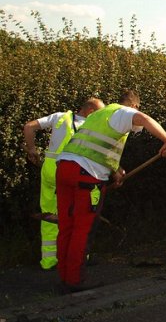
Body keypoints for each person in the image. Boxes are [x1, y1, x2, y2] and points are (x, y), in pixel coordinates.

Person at [55, 89, 166, 292]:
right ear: (134, 105)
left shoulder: (99, 115)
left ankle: (64, 279)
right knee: (82, 229)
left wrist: (115, 172)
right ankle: (74, 282)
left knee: (67, 226)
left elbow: (97, 149)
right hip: (86, 175)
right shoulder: (123, 112)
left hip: (65, 168)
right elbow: (143, 119)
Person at [23, 97, 105, 270]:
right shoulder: (90, 127)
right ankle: (79, 257)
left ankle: (49, 261)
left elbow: (29, 127)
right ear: (90, 111)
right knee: (78, 214)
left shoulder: (60, 116)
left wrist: (32, 149)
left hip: (49, 168)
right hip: (71, 171)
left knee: (48, 212)